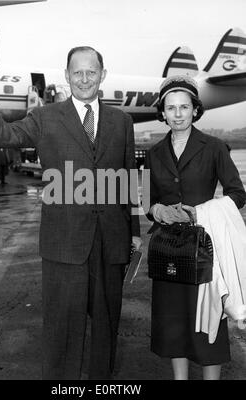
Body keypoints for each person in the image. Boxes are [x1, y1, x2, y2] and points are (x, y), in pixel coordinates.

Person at [0, 46, 141, 380]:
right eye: (77, 72)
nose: (84, 79)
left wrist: (134, 232)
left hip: (110, 242)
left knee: (106, 328)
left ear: (103, 74)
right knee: (62, 333)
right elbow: (2, 135)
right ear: (66, 75)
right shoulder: (45, 117)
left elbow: (127, 178)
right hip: (64, 244)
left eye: (91, 72)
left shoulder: (122, 121)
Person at [144, 75, 246, 380]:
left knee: (208, 319)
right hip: (167, 250)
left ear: (195, 110)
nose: (177, 114)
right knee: (174, 320)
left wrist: (199, 213)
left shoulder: (214, 147)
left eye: (184, 107)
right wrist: (157, 210)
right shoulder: (153, 153)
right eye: (171, 108)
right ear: (162, 112)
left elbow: (237, 193)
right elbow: (149, 204)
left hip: (203, 248)